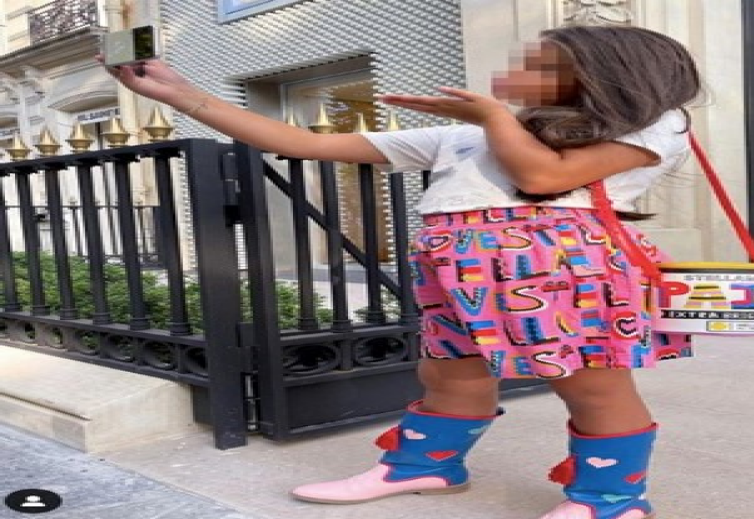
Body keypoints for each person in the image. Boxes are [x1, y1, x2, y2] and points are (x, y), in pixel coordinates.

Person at [105, 23, 701, 519]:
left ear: (601, 76)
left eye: (542, 65)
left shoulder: (656, 124)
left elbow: (542, 177)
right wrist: (181, 94)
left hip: (563, 269)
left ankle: (611, 500)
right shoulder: (462, 136)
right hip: (459, 272)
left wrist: (493, 116)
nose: (519, 68)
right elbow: (303, 143)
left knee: (592, 382)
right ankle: (424, 467)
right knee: (448, 373)